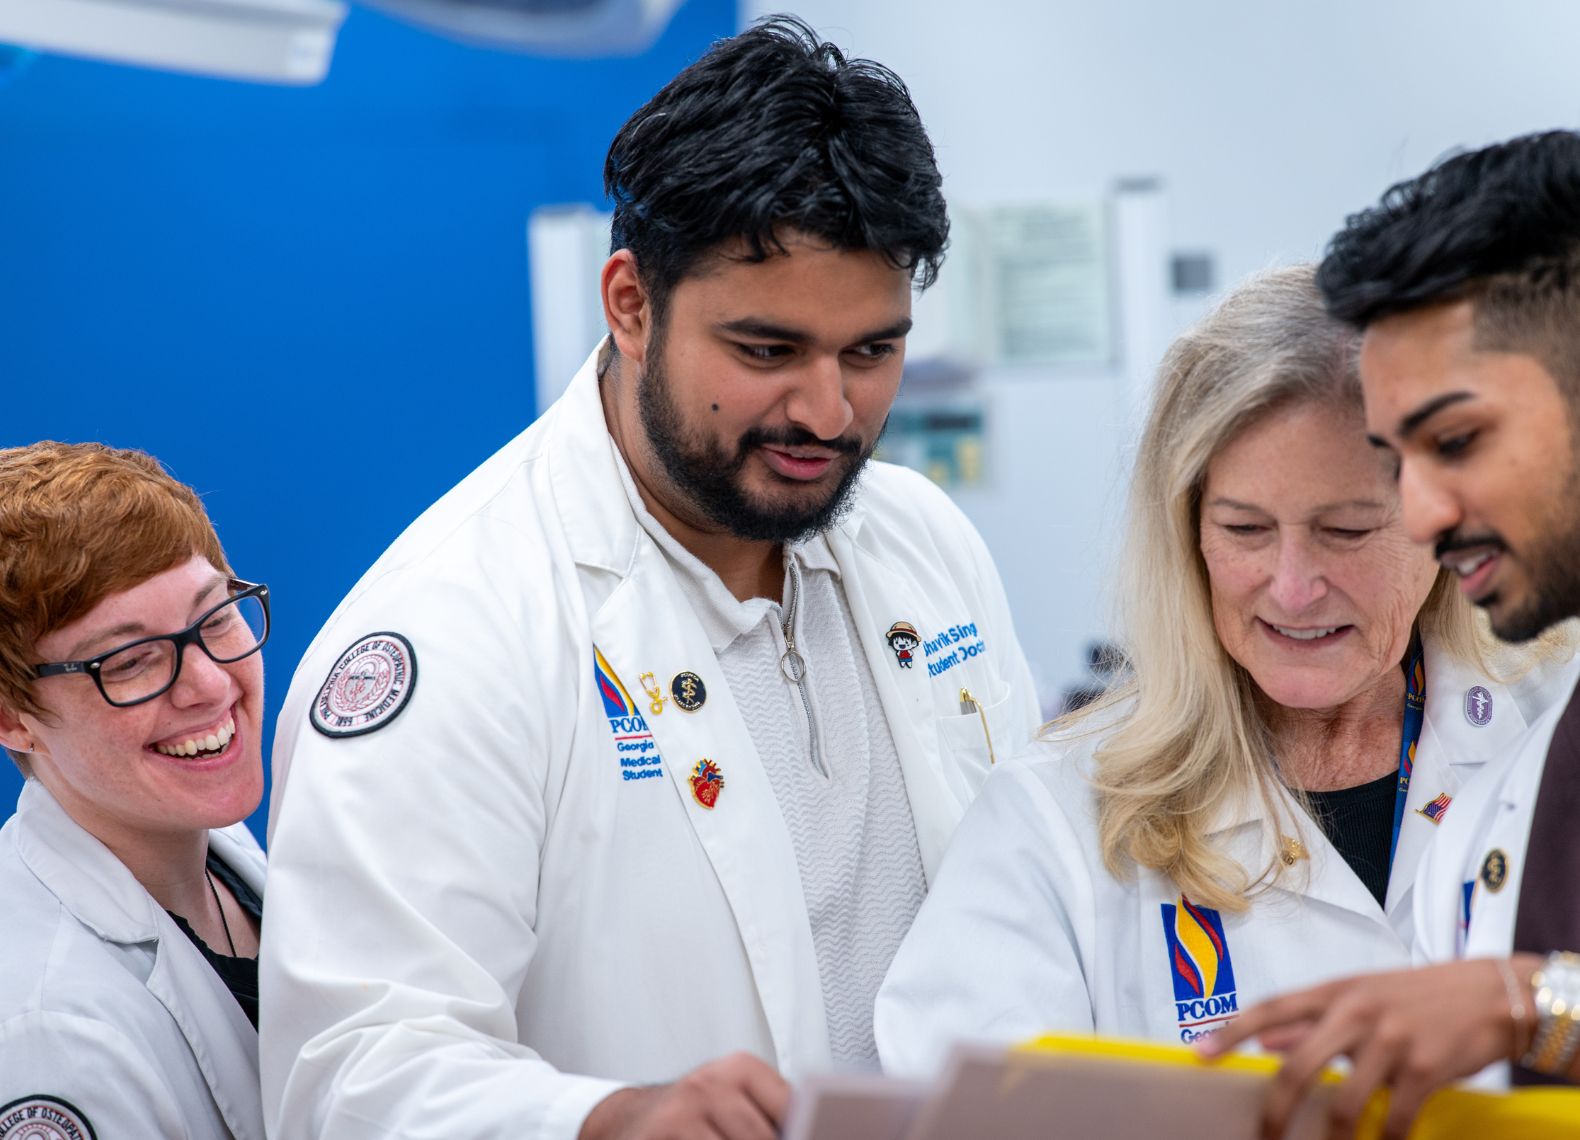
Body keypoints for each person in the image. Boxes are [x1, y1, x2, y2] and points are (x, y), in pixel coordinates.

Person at [259, 16, 1038, 1140]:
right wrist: (606, 1121)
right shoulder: (458, 625)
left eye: (869, 353)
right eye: (766, 352)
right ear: (630, 304)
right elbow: (348, 1075)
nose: (826, 414)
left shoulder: (919, 539)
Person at [872, 265, 1577, 1078]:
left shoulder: (1553, 732)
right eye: (1245, 529)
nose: (1292, 587)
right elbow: (952, 1102)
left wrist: (1540, 1005)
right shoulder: (1057, 814)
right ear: (1189, 535)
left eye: (1346, 530)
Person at [1200, 130, 1580, 1139]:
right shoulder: (1531, 766)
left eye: (1454, 441)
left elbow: (1530, 1006)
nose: (1416, 514)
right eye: (1393, 460)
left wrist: (1532, 1006)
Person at [0, 441, 270, 1140]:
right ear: (12, 717)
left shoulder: (207, 848)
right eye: (130, 661)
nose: (211, 684)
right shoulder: (48, 1034)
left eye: (214, 620)